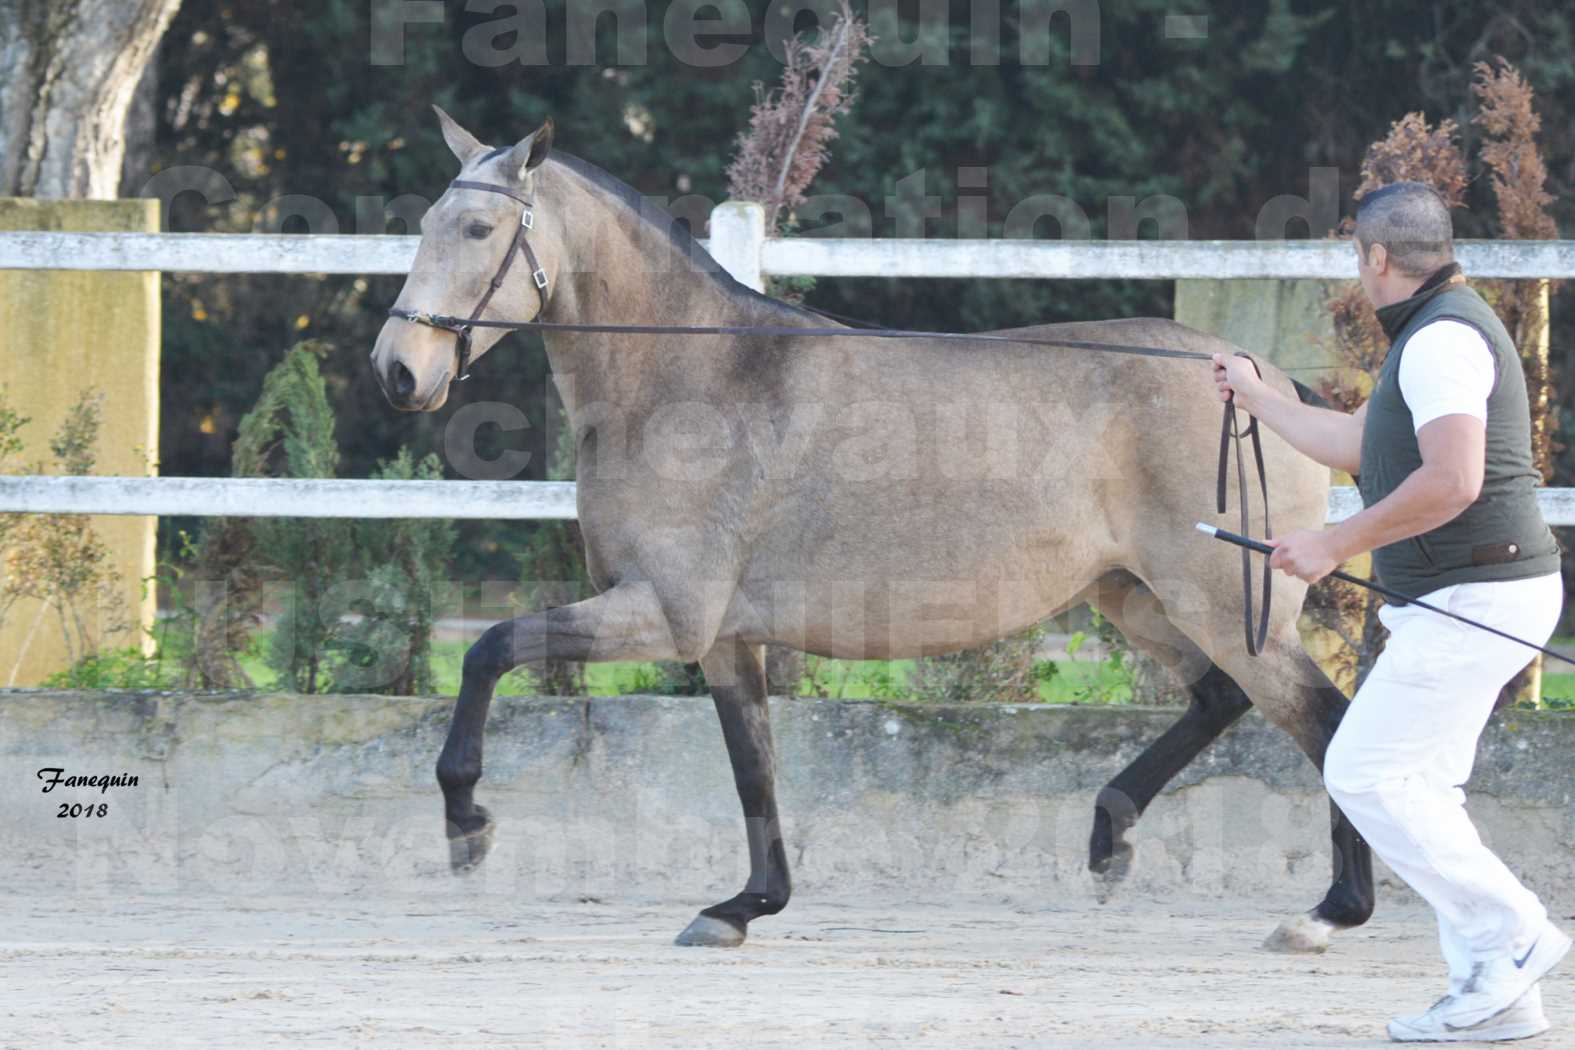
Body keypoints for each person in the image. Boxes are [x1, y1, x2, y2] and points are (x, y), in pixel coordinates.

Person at [1212, 180, 1567, 1043]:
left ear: (1373, 257)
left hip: (1472, 592)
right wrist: (1257, 396)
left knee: (1366, 773)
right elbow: (1352, 445)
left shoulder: (1441, 342)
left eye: (1355, 259)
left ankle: (1514, 936)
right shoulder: (1434, 332)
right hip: (1466, 591)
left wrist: (1334, 545)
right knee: (1418, 787)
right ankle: (1496, 994)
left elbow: (1452, 481)